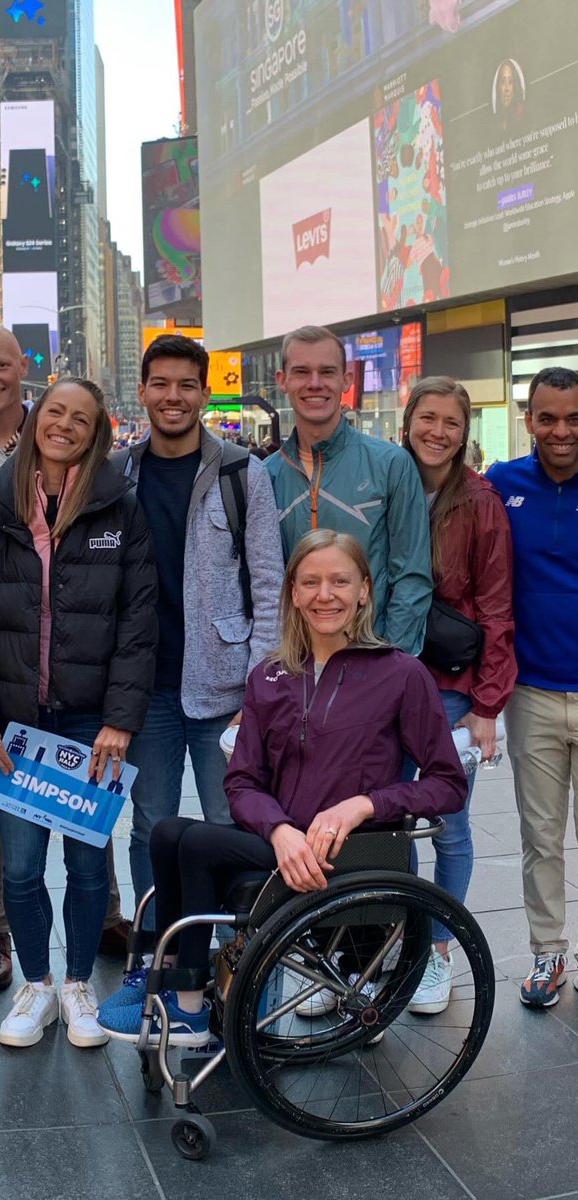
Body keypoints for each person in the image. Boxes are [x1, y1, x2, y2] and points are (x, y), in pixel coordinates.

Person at [98, 530, 466, 1043]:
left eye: (340, 581)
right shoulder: (270, 676)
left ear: (364, 590)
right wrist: (277, 831)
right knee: (165, 833)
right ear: (292, 592)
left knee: (196, 842)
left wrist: (364, 804)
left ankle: (184, 1003)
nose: (325, 595)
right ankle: (166, 980)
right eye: (310, 582)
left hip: (354, 854)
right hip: (284, 847)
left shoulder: (401, 674)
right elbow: (243, 780)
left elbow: (449, 784)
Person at [0, 377, 157, 1049]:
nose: (63, 424)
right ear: (38, 419)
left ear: (96, 432)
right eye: (55, 412)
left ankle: (75, 983)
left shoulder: (118, 508)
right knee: (18, 867)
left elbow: (136, 623)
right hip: (15, 726)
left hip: (87, 723)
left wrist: (120, 719)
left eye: (80, 418)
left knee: (89, 865)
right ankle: (35, 982)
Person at [116, 333, 283, 923]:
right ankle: (150, 953)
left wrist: (260, 691)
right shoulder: (117, 474)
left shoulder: (242, 472)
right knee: (148, 828)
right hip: (144, 690)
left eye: (187, 385)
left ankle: (237, 953)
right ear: (142, 392)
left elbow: (269, 587)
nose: (173, 396)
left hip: (227, 688)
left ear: (205, 394)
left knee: (231, 825)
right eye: (160, 384)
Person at [401, 377, 515, 1011]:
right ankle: (398, 936)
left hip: (449, 687)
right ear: (410, 420)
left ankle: (439, 951)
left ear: (464, 431)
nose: (437, 431)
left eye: (450, 421)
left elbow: (498, 608)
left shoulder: (480, 501)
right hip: (383, 681)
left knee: (448, 821)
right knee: (388, 819)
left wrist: (487, 703)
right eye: (428, 417)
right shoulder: (387, 481)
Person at [487, 367, 578, 1007]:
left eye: (573, 419)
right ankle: (549, 957)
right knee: (540, 837)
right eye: (548, 418)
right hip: (533, 694)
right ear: (529, 420)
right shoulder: (502, 484)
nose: (562, 431)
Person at [265, 325, 432, 654]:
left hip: (371, 660)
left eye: (327, 372)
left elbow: (412, 575)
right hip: (293, 666)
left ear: (347, 379)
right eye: (302, 372)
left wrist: (388, 661)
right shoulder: (263, 476)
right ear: (282, 380)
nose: (315, 383)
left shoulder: (391, 464)